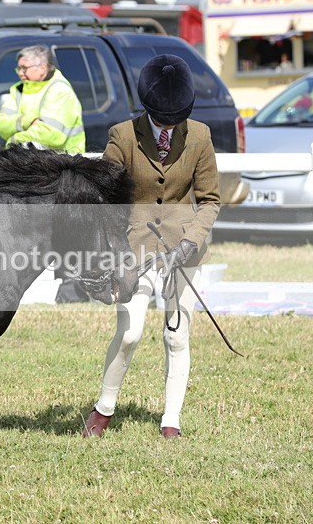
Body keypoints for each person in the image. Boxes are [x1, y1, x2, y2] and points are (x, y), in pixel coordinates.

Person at [82, 54, 221, 439]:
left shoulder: (201, 136)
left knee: (176, 335)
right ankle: (104, 407)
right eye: (162, 119)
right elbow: (107, 200)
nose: (169, 126)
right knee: (129, 333)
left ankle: (171, 420)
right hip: (134, 247)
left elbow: (209, 200)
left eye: (176, 119)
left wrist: (190, 242)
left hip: (183, 248)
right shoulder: (122, 135)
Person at [0, 45, 85, 154]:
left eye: (24, 68)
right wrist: (27, 121)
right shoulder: (17, 89)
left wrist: (13, 140)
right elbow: (2, 126)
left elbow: (51, 134)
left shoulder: (60, 90)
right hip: (26, 163)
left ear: (42, 68)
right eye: (18, 68)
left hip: (63, 164)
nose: (20, 72)